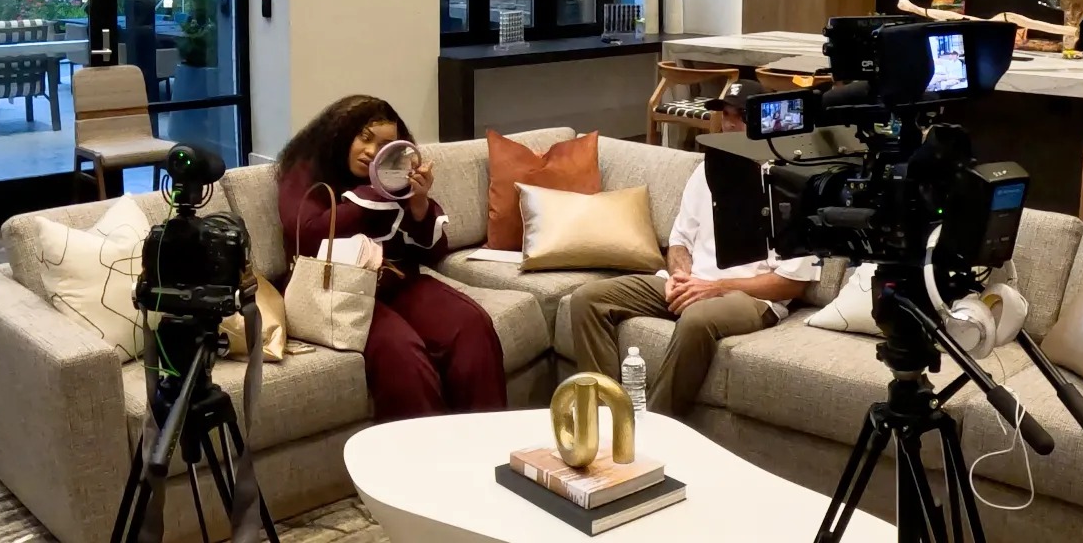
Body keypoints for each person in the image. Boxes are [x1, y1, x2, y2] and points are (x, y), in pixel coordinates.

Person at [568, 81, 819, 415]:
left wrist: (714, 288)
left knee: (696, 319)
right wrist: (681, 277)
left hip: (752, 299)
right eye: (725, 115)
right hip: (693, 283)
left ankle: (654, 425)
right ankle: (609, 414)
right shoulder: (706, 170)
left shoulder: (789, 180)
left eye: (741, 116)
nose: (729, 124)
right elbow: (679, 242)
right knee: (587, 299)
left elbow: (792, 283)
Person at [277, 95, 507, 421]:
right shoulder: (305, 169)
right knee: (401, 354)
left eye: (384, 145)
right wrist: (377, 192)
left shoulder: (394, 176)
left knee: (471, 326)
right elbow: (310, 232)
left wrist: (419, 203)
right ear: (340, 134)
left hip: (397, 280)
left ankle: (489, 437)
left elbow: (434, 252)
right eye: (364, 138)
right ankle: (420, 450)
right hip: (337, 290)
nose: (372, 151)